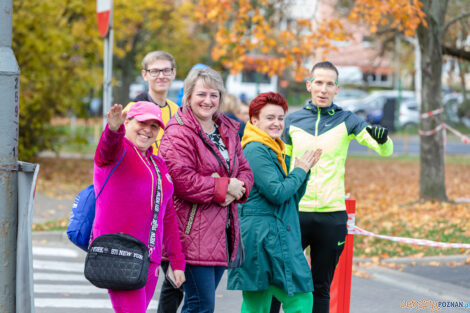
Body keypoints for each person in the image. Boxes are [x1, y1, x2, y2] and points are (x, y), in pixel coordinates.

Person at [282, 61, 394, 313]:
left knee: (321, 288)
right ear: (309, 85)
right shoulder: (292, 121)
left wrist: (383, 140)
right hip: (294, 212)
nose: (323, 89)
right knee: (282, 284)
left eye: (329, 84)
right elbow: (281, 165)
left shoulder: (348, 120)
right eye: (319, 83)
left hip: (331, 216)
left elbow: (384, 150)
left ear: (337, 88)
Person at [158, 66, 254, 313]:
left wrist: (233, 189)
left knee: (198, 304)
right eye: (201, 94)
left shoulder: (227, 130)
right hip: (190, 234)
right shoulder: (178, 131)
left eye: (214, 95)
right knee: (201, 306)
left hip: (222, 232)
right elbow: (181, 180)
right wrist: (223, 187)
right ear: (188, 96)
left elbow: (245, 171)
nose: (208, 101)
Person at [227, 92, 322, 313]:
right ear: (254, 120)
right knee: (298, 300)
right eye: (270, 118)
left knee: (258, 304)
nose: (277, 123)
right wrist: (300, 170)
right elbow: (277, 193)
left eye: (280, 118)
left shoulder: (273, 147)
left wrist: (303, 172)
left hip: (268, 235)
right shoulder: (255, 149)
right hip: (263, 238)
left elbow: (291, 198)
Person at [92, 101, 186, 313]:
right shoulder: (118, 151)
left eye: (154, 126)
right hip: (120, 253)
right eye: (142, 122)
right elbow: (107, 149)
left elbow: (168, 216)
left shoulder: (158, 164)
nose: (148, 130)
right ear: (128, 121)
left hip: (149, 259)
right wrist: (113, 130)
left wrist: (177, 262)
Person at [125, 50, 179, 154]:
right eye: (154, 71)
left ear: (173, 73)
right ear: (145, 75)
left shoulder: (176, 111)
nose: (161, 76)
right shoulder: (132, 110)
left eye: (166, 70)